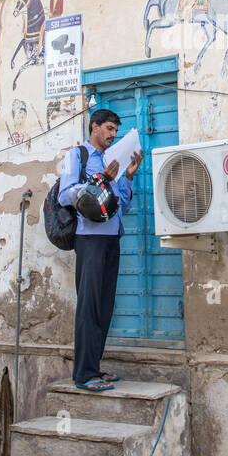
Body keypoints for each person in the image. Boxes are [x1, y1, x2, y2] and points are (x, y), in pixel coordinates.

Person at [58, 109, 143, 390]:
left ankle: (94, 367)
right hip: (89, 239)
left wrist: (127, 177)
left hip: (111, 238)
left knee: (105, 307)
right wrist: (99, 180)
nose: (112, 135)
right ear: (94, 127)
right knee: (88, 306)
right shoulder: (78, 156)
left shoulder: (112, 160)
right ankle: (83, 374)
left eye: (115, 132)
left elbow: (122, 206)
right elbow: (65, 193)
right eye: (108, 129)